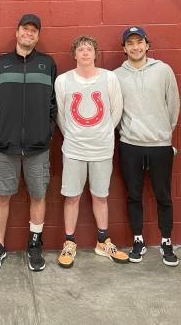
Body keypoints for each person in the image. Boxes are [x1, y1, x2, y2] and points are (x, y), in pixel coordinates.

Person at [0, 14, 57, 272]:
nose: (29, 34)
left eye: (34, 31)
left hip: (38, 146)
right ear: (16, 33)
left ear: (38, 36)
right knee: (2, 196)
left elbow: (53, 104)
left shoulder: (47, 64)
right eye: (25, 29)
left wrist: (46, 131)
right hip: (6, 146)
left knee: (38, 195)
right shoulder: (0, 64)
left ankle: (34, 244)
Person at [55, 35, 128, 268]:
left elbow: (116, 111)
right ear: (74, 54)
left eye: (89, 49)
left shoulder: (110, 78)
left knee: (100, 195)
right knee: (72, 196)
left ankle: (103, 241)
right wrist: (75, 135)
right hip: (74, 149)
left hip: (102, 148)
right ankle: (69, 242)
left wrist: (103, 132)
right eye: (80, 49)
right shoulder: (63, 81)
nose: (85, 52)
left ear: (95, 54)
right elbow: (61, 115)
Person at [114, 26, 180, 266]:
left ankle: (166, 241)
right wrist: (127, 131)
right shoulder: (117, 75)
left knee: (163, 195)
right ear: (124, 49)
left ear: (147, 45)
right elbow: (115, 110)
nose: (135, 47)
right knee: (133, 195)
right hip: (130, 145)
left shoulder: (163, 71)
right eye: (130, 43)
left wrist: (163, 132)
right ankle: (138, 240)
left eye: (139, 42)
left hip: (160, 144)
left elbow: (173, 105)